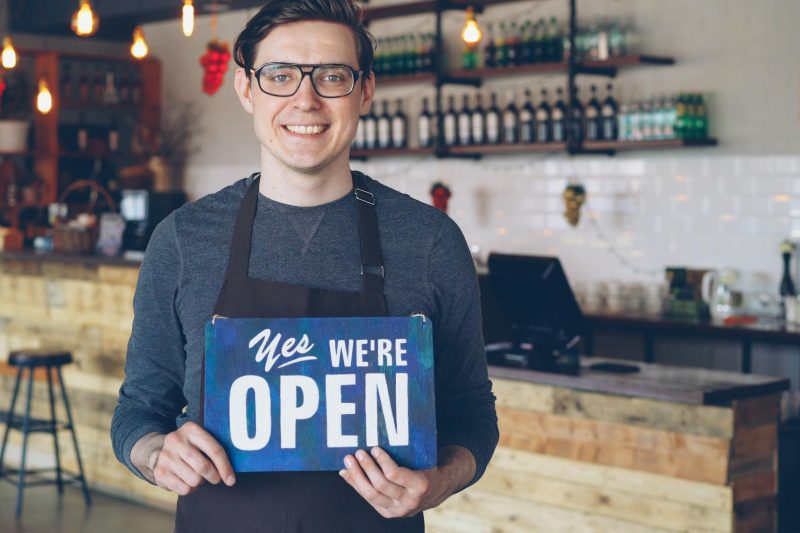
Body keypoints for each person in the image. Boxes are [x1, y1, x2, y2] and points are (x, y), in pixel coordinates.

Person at [110, 1, 498, 531]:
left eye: (332, 76)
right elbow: (137, 413)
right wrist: (157, 454)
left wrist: (439, 481)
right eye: (280, 75)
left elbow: (473, 416)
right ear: (247, 89)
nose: (306, 100)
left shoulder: (429, 241)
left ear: (364, 91)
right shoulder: (182, 240)